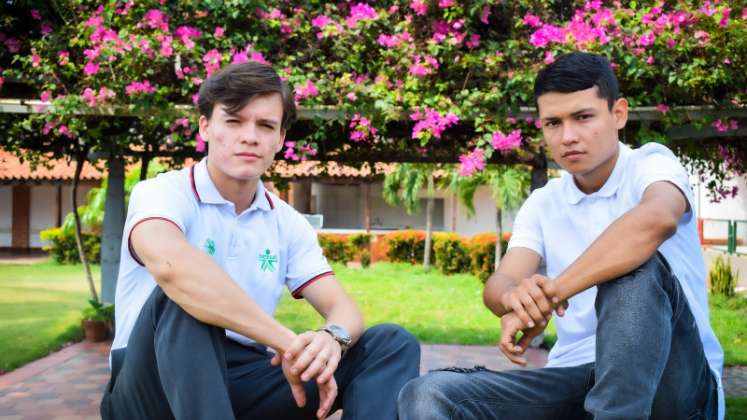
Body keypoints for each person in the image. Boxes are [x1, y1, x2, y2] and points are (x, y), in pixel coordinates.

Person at [398, 52, 724, 420]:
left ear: (618, 113)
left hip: (673, 382)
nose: (568, 136)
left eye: (583, 117)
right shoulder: (544, 202)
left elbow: (657, 218)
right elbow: (500, 283)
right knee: (429, 394)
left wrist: (552, 294)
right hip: (575, 381)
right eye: (553, 122)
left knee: (632, 266)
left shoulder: (652, 164)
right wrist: (517, 300)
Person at [100, 61, 420, 420]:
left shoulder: (287, 223)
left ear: (280, 138)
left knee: (390, 343)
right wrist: (288, 343)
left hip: (245, 377)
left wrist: (332, 338)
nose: (250, 137)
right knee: (182, 298)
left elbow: (343, 309)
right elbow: (172, 268)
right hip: (151, 377)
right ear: (205, 127)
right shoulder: (161, 193)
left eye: (266, 125)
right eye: (234, 121)